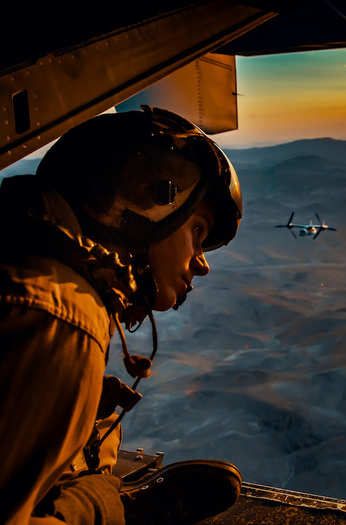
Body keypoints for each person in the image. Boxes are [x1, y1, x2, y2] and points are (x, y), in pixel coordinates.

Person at [0, 107, 243, 524]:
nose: (201, 265)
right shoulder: (59, 316)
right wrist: (100, 503)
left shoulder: (27, 266)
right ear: (145, 205)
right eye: (198, 233)